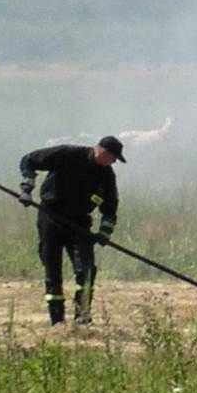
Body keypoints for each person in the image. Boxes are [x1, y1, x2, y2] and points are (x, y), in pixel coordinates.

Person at [18, 135, 125, 325]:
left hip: (80, 224)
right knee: (53, 271)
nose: (113, 161)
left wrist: (104, 233)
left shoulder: (107, 175)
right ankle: (57, 322)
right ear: (100, 150)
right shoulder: (68, 154)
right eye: (112, 157)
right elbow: (29, 160)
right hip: (51, 216)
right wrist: (27, 189)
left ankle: (82, 318)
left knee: (86, 271)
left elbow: (110, 207)